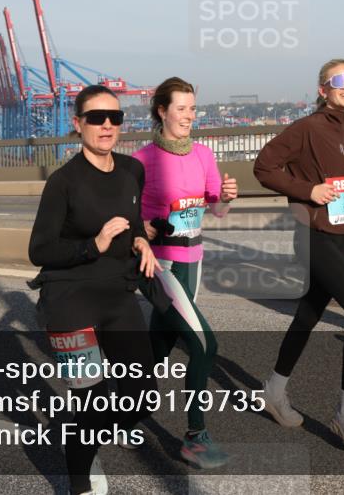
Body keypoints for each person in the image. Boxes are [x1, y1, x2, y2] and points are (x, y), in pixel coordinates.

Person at [27, 85, 162, 495]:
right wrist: (94, 244)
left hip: (117, 296)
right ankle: (79, 481)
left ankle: (87, 440)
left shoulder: (131, 171)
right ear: (78, 123)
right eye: (96, 118)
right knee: (93, 403)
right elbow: (39, 250)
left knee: (142, 397)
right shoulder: (63, 182)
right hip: (69, 299)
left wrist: (141, 240)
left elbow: (134, 220)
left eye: (115, 118)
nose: (107, 125)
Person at [252, 59, 344, 451]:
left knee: (310, 312)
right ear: (322, 89)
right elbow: (264, 166)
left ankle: (274, 388)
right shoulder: (305, 129)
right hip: (311, 234)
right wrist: (307, 191)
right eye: (339, 80)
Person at [132, 76, 238, 468]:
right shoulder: (141, 161)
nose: (189, 116)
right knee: (203, 344)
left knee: (159, 343)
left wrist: (225, 198)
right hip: (158, 265)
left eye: (193, 108)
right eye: (181, 108)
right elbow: (129, 220)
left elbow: (216, 212)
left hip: (193, 261)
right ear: (162, 111)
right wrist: (146, 229)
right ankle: (195, 436)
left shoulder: (204, 155)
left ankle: (126, 414)